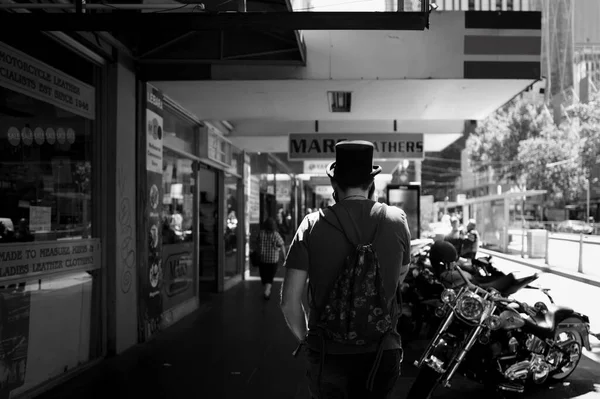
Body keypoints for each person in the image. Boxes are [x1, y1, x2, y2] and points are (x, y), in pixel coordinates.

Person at [280, 141, 411, 399]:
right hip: (382, 351)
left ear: (334, 187)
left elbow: (288, 302)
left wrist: (307, 340)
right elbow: (400, 276)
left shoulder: (311, 224)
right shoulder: (396, 220)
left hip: (328, 353)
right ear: (371, 185)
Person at [257, 217, 286, 300]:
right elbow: (282, 245)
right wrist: (284, 257)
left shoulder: (261, 233)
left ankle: (267, 290)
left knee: (264, 276)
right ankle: (267, 290)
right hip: (273, 260)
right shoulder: (276, 234)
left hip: (262, 259)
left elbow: (257, 244)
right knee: (270, 276)